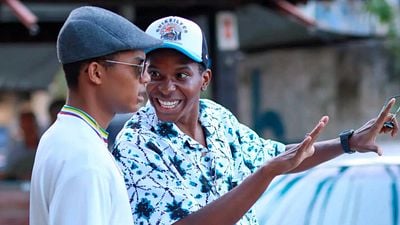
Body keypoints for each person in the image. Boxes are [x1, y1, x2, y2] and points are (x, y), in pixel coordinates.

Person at [112, 16, 398, 225]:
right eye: (156, 74)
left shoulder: (216, 117)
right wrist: (264, 175)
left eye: (181, 75)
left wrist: (348, 143)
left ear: (205, 79)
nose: (166, 87)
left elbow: (280, 158)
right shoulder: (135, 143)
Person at [29, 6, 161, 225]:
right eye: (138, 67)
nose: (146, 78)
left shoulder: (64, 136)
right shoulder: (84, 157)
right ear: (96, 73)